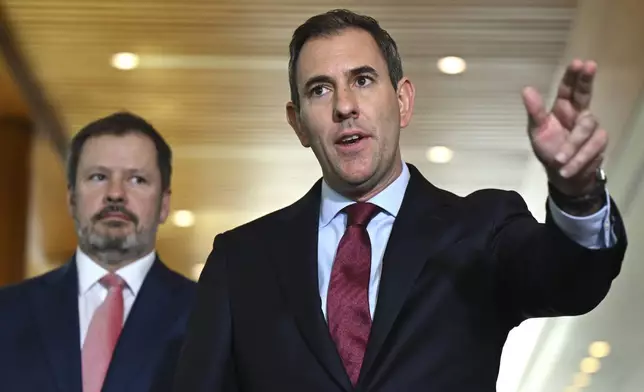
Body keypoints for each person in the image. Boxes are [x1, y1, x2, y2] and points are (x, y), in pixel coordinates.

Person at [173, 9, 627, 392]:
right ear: (298, 124)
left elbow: (571, 281)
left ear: (403, 101)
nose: (345, 106)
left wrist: (578, 193)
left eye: (363, 80)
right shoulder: (241, 260)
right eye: (320, 89)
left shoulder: (481, 228)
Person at [0, 112, 196, 392]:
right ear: (71, 199)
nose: (115, 193)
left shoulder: (207, 316)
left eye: (137, 179)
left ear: (164, 204)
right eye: (98, 176)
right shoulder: (7, 314)